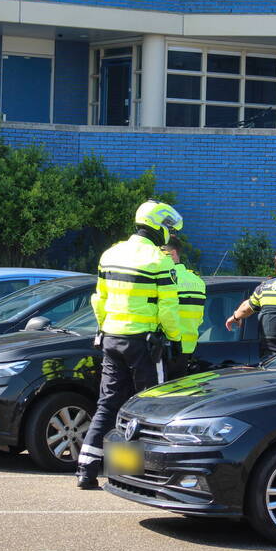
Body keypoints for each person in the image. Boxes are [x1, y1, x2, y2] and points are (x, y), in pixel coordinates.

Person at [76, 200, 183, 489]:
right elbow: (168, 309)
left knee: (107, 403)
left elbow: (99, 299)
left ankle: (86, 468)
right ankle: (141, 474)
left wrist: (104, 328)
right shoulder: (160, 261)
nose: (170, 235)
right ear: (159, 227)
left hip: (111, 338)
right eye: (168, 230)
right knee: (151, 407)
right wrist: (176, 340)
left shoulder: (110, 254)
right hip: (144, 345)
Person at [162, 236, 205, 376]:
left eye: (161, 251)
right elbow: (200, 318)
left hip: (169, 347)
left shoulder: (167, 278)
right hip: (188, 349)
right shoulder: (197, 281)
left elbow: (164, 314)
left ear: (173, 253)